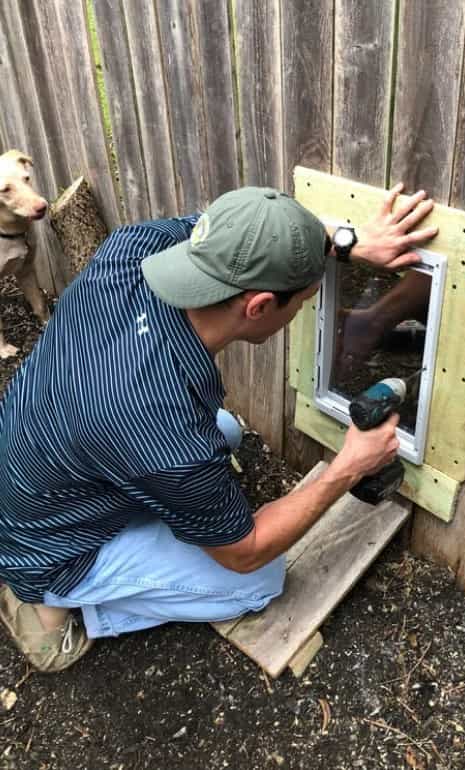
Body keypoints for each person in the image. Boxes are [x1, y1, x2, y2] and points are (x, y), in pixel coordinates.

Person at [0, 182, 437, 672]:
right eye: (304, 303)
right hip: (50, 542)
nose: (305, 313)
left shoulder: (131, 251)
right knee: (258, 581)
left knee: (223, 430)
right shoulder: (161, 427)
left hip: (34, 461)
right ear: (259, 307)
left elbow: (243, 236)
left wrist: (349, 241)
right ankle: (56, 608)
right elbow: (245, 552)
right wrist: (349, 467)